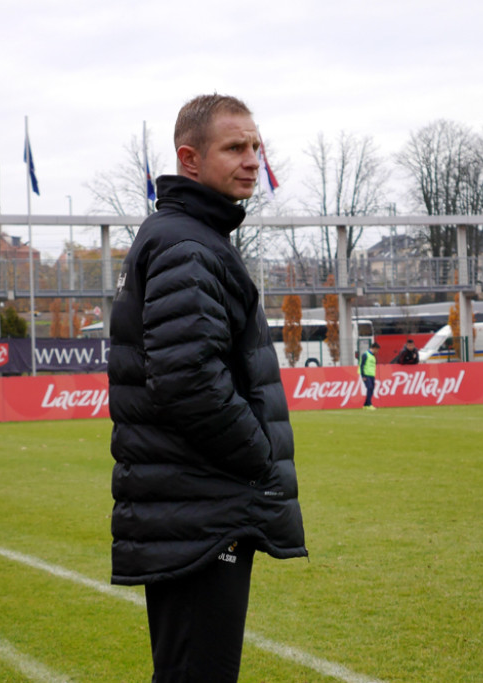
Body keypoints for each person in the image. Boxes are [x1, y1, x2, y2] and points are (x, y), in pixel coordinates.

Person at [107, 93, 306, 682]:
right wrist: (256, 454)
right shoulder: (188, 244)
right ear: (189, 160)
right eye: (235, 147)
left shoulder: (191, 235)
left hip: (193, 503)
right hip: (202, 505)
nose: (252, 159)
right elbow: (187, 376)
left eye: (255, 146)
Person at [358, 342, 380, 409]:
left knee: (371, 389)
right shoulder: (365, 354)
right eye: (377, 350)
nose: (377, 351)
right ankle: (369, 404)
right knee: (369, 387)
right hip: (366, 374)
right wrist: (363, 375)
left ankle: (365, 405)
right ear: (374, 348)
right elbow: (361, 365)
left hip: (371, 375)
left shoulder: (372, 356)